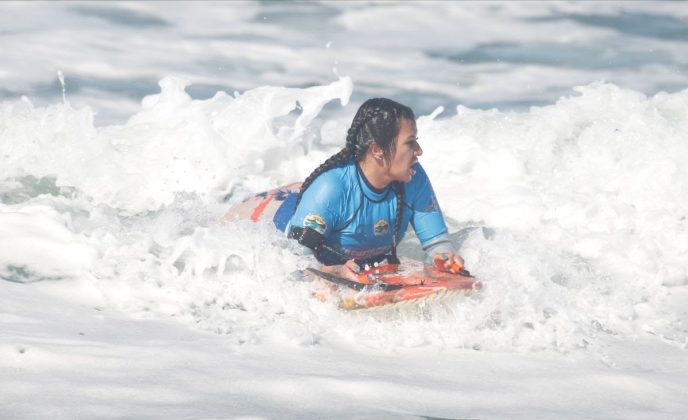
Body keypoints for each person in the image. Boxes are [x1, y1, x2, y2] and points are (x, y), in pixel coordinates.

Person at [268, 98, 464, 282]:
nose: (419, 150)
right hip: (286, 220)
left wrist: (444, 258)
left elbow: (437, 243)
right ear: (377, 149)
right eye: (410, 142)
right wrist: (333, 272)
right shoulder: (332, 188)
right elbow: (294, 264)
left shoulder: (413, 178)